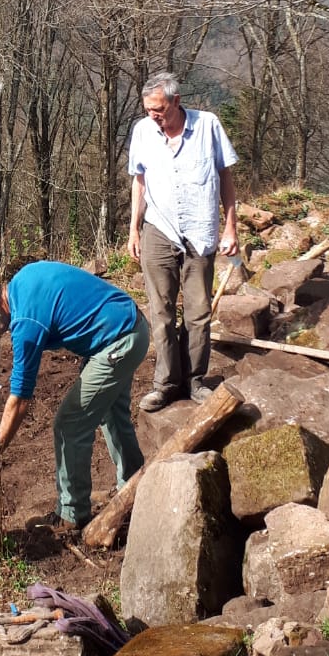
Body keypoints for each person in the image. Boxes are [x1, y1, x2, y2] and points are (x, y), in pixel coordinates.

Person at [0, 262, 148, 536]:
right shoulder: (22, 281)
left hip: (119, 340)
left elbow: (20, 400)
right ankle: (136, 488)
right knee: (111, 412)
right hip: (129, 325)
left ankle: (71, 516)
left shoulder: (26, 323)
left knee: (70, 425)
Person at [126, 71, 239, 410]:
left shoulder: (208, 126)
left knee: (198, 313)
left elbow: (225, 177)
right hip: (158, 229)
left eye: (159, 109)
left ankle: (195, 381)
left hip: (200, 232)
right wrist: (133, 229)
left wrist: (231, 228)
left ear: (176, 101)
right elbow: (139, 181)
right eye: (148, 109)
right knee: (160, 312)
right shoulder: (143, 131)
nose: (154, 116)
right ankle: (165, 384)